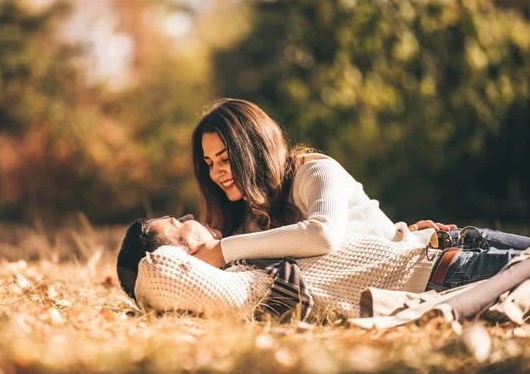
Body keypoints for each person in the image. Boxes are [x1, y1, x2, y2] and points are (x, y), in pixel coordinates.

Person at [190, 98, 456, 269]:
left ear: (254, 152)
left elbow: (322, 235)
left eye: (225, 159)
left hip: (445, 257)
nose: (216, 174)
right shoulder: (249, 217)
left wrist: (224, 250)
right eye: (210, 163)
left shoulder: (316, 171)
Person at [117, 215, 530, 319]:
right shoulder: (245, 284)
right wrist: (153, 259)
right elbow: (156, 274)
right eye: (176, 223)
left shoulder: (242, 252)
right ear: (182, 252)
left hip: (454, 241)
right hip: (457, 272)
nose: (189, 216)